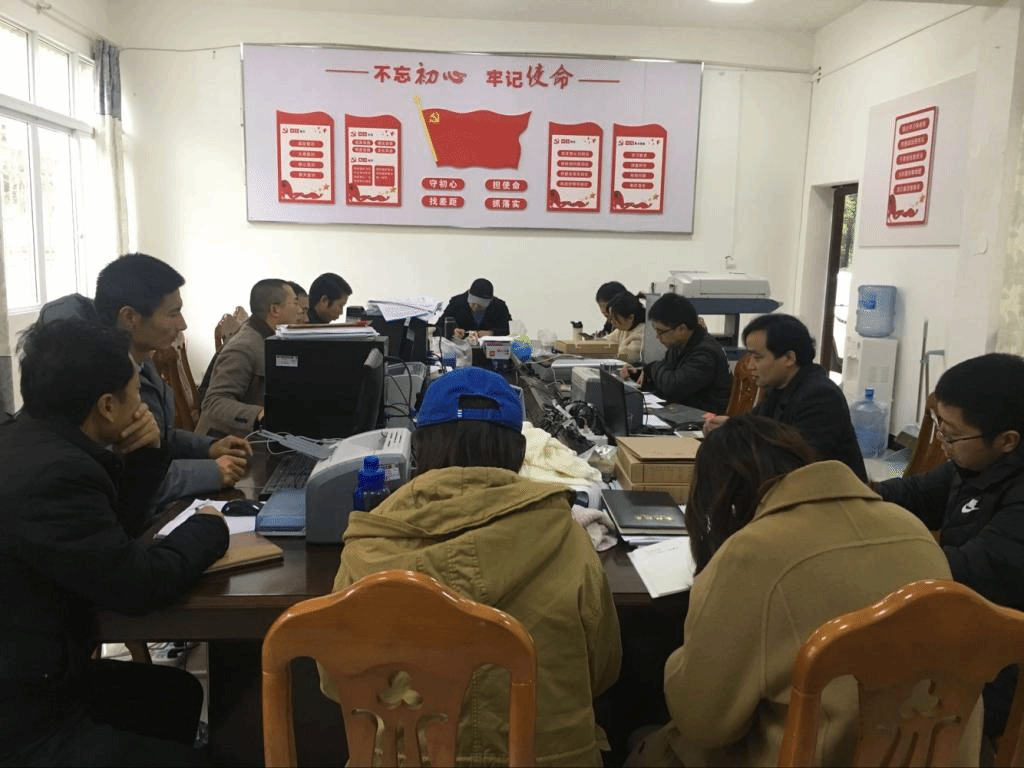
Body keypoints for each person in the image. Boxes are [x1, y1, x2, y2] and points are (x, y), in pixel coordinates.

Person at [627, 415, 980, 767]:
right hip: (931, 752)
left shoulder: (753, 552)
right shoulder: (913, 529)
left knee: (644, 741)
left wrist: (679, 657)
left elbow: (703, 723)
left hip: (820, 755)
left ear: (722, 499)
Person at [323, 367, 621, 766]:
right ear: (519, 451)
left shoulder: (369, 545)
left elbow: (336, 684)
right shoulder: (568, 539)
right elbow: (601, 671)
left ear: (419, 447)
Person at [0, 318, 230, 767]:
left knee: (176, 694)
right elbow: (139, 585)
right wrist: (210, 526)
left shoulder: (31, 440)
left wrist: (146, 457)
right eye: (136, 393)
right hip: (23, 719)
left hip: (35, 674)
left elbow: (111, 540)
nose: (142, 406)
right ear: (107, 406)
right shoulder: (58, 476)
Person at [875, 353, 1024, 740]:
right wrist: (849, 495)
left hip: (1001, 664)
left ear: (1007, 441)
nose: (941, 440)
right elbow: (910, 494)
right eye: (939, 425)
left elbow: (961, 571)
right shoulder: (975, 464)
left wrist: (870, 561)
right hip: (964, 627)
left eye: (952, 434)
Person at [42, 253, 252, 511]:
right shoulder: (99, 385)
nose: (183, 324)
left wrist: (209, 447)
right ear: (130, 317)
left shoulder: (139, 359)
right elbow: (129, 477)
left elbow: (160, 435)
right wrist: (212, 472)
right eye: (173, 313)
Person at [704, 313, 867, 481]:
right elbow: (755, 426)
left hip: (828, 492)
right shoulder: (779, 388)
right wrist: (730, 427)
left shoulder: (821, 396)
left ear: (789, 358)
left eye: (757, 357)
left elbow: (793, 460)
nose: (750, 365)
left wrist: (735, 436)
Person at [197, 278, 299, 437]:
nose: (299, 310)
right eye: (295, 303)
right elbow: (213, 403)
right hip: (229, 442)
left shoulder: (270, 337)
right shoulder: (244, 347)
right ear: (275, 310)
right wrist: (260, 414)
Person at [620, 293, 729, 412]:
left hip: (701, 416)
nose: (657, 337)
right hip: (681, 408)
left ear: (682, 329)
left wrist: (651, 368)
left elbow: (673, 387)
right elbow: (665, 377)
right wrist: (640, 375)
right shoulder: (679, 345)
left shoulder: (705, 353)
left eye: (661, 332)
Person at [433, 277, 512, 339]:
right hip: (460, 349)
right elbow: (437, 328)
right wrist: (452, 332)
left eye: (481, 305)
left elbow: (509, 329)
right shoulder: (456, 303)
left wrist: (492, 333)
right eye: (473, 302)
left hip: (490, 350)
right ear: (468, 296)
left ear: (490, 301)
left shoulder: (499, 306)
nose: (476, 306)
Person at [605, 291, 646, 364]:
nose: (612, 322)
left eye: (615, 318)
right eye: (611, 318)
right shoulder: (623, 328)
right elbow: (606, 341)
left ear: (631, 317)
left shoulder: (642, 333)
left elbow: (627, 357)